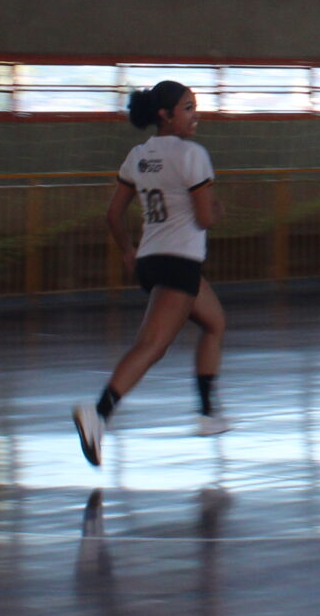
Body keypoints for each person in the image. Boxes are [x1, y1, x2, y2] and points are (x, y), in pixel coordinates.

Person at [74, 81, 227, 466]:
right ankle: (99, 413)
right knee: (152, 346)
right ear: (166, 114)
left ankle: (209, 414)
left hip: (151, 259)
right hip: (179, 261)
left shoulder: (138, 156)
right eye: (189, 108)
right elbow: (205, 218)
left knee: (215, 322)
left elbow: (113, 214)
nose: (196, 115)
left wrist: (128, 250)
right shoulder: (193, 155)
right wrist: (218, 209)